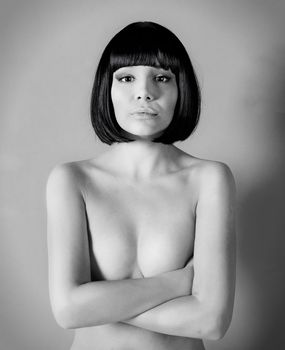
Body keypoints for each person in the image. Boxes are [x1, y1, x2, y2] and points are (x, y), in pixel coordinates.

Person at [46, 21, 236, 350]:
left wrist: (95, 304)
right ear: (107, 88)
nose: (144, 92)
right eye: (127, 78)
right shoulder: (72, 180)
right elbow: (67, 311)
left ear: (181, 90)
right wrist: (180, 282)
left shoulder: (209, 179)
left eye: (162, 77)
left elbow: (211, 321)